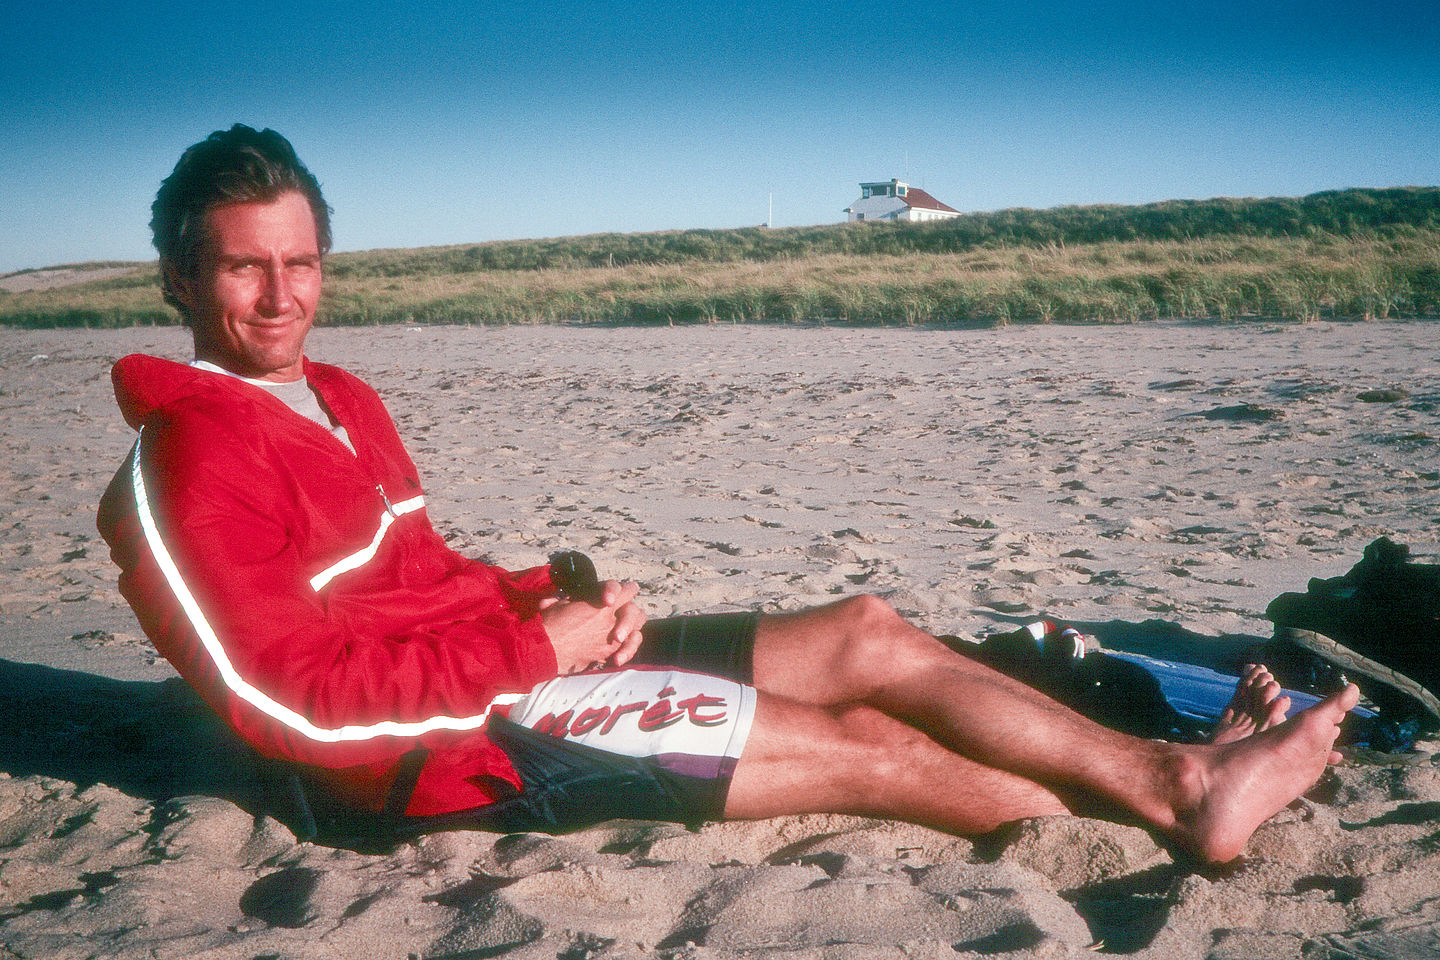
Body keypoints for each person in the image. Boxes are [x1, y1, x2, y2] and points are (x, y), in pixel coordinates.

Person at [98, 125, 1359, 865]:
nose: (280, 299)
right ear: (176, 276)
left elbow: (420, 581)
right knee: (875, 751)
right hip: (436, 757)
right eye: (244, 270)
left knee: (867, 629)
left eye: (302, 263)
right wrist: (528, 649)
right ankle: (1178, 799)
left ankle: (1170, 769)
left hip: (509, 663)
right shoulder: (191, 455)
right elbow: (291, 706)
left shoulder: (339, 398)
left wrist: (549, 599)